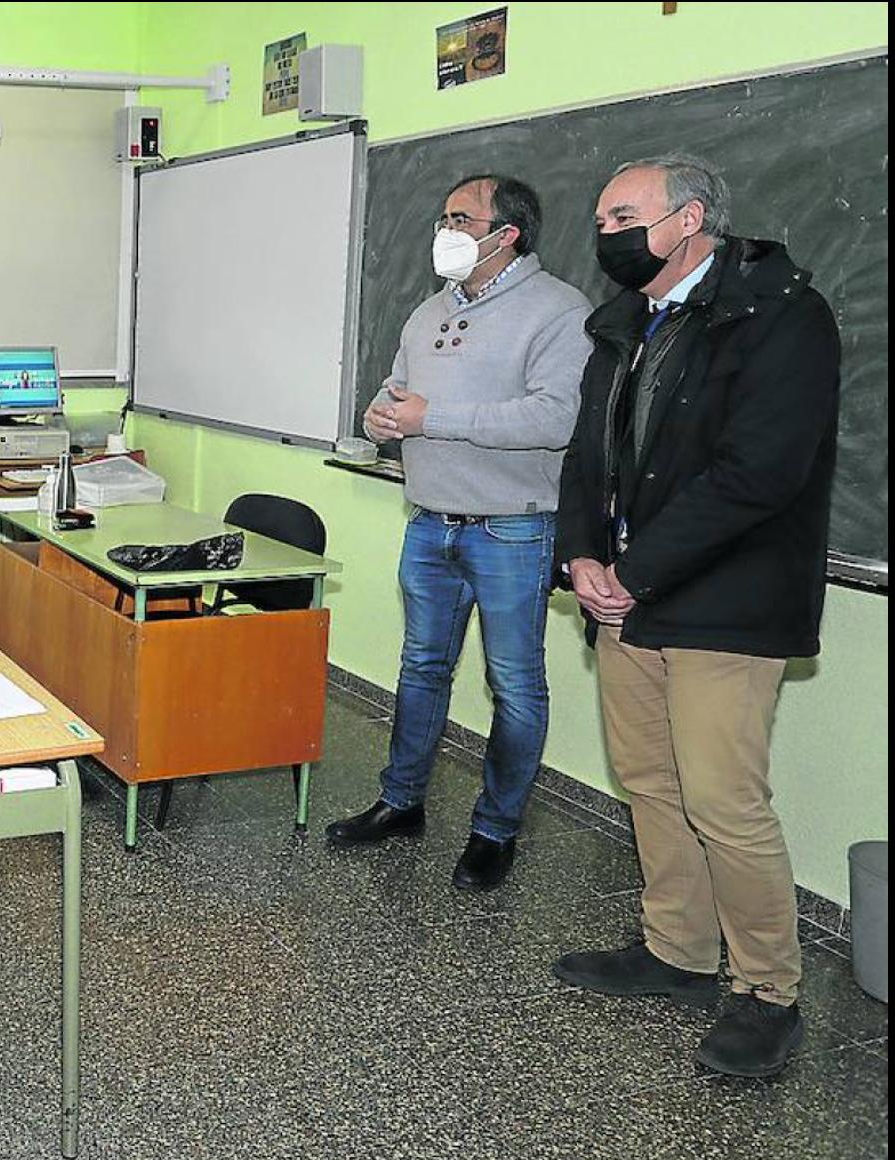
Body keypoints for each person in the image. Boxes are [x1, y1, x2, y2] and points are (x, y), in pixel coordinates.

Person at [550, 156, 840, 1079]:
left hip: (724, 598)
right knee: (651, 780)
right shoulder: (629, 322)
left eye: (623, 214)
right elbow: (587, 454)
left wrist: (635, 570)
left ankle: (767, 991)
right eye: (600, 218)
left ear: (689, 219)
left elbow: (759, 472)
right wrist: (585, 553)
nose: (606, 234)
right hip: (627, 595)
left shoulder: (780, 313)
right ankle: (676, 950)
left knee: (723, 800)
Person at [330, 175, 594, 891]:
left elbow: (554, 420)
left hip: (512, 530)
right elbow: (392, 396)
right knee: (420, 669)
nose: (445, 229)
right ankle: (401, 800)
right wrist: (379, 420)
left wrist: (430, 420)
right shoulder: (427, 313)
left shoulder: (558, 311)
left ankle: (495, 831)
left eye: (460, 218)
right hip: (429, 523)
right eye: (444, 216)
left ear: (505, 234)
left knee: (514, 684)